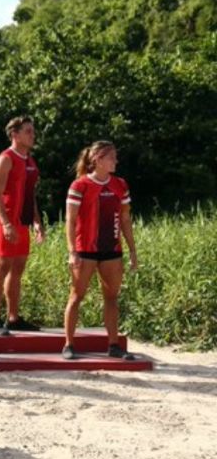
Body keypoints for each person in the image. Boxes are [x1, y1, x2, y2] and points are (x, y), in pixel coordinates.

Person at [62, 141, 138, 360]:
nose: (116, 161)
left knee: (112, 298)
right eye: (111, 157)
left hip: (111, 250)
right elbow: (71, 219)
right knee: (76, 296)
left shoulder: (120, 184)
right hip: (85, 250)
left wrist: (132, 250)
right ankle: (69, 344)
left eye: (115, 157)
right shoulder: (80, 185)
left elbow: (125, 219)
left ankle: (114, 345)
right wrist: (72, 251)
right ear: (97, 159)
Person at [0, 115, 45, 335]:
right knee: (1, 268)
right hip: (4, 222)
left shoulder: (30, 161)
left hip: (23, 222)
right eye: (28, 131)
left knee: (18, 269)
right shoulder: (5, 158)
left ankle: (13, 317)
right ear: (15, 134)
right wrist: (6, 223)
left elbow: (31, 194)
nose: (33, 134)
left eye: (32, 130)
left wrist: (37, 221)